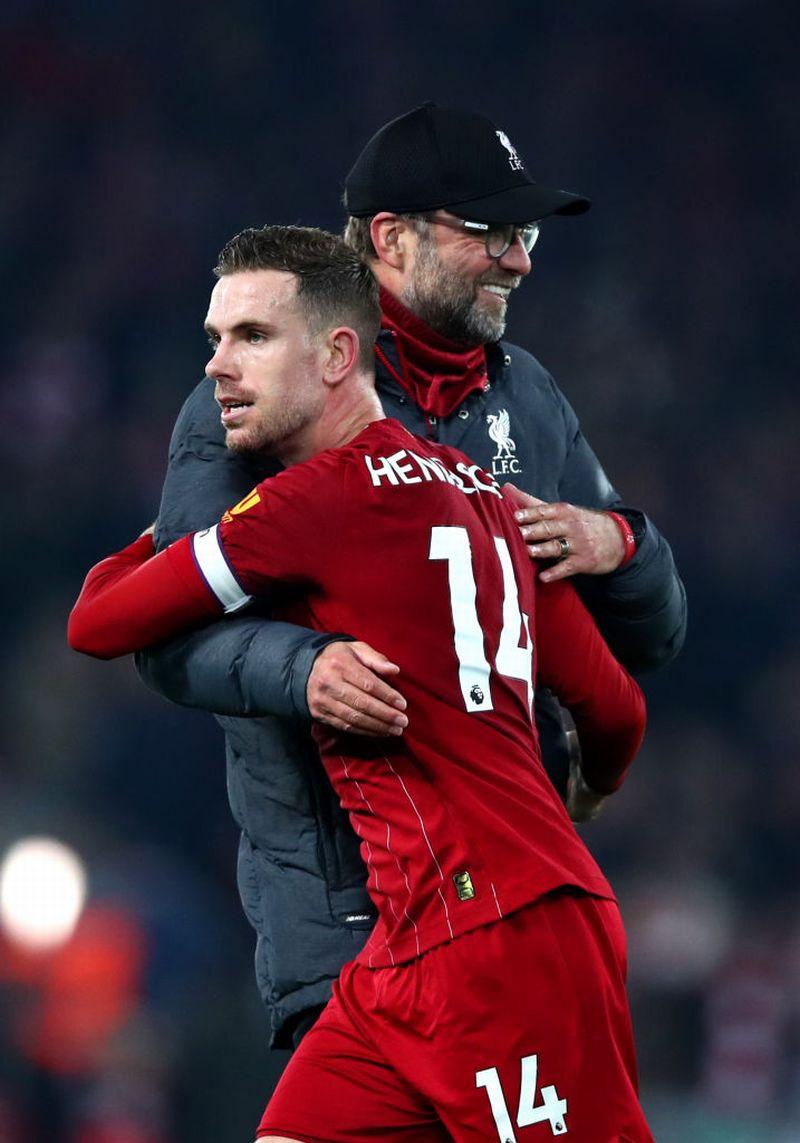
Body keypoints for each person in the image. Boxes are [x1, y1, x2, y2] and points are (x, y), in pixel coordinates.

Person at [70, 224, 652, 1141]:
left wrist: (173, 530)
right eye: (214, 339)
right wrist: (585, 792)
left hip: (503, 942)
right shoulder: (491, 500)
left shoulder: (310, 502)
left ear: (340, 355)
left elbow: (98, 621)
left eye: (253, 337)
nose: (218, 366)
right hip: (412, 947)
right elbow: (615, 709)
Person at [134, 104, 686, 1052]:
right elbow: (166, 630)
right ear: (391, 239)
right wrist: (303, 668)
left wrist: (619, 544)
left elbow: (657, 635)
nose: (518, 261)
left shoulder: (527, 397)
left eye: (526, 235)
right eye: (490, 232)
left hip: (505, 911)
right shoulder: (259, 381)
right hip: (350, 930)